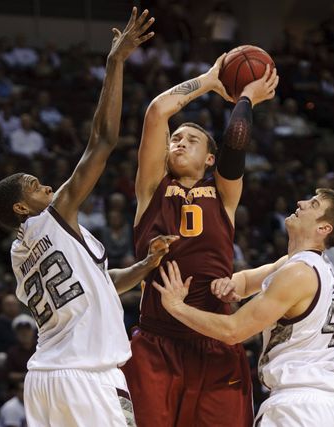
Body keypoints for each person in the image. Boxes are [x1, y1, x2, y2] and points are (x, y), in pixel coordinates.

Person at [0, 8, 160, 427]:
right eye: (33, 184)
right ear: (20, 207)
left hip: (45, 379)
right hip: (88, 377)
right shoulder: (56, 216)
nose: (46, 185)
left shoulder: (19, 252)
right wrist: (115, 62)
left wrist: (144, 266)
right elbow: (102, 141)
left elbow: (96, 284)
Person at [122, 47, 278, 425]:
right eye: (175, 138)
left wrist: (246, 99)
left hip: (213, 336)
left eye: (191, 139)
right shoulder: (152, 189)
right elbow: (158, 111)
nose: (178, 142)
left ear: (210, 158)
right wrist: (209, 81)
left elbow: (237, 140)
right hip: (157, 341)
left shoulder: (223, 194)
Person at [154, 189, 334, 427]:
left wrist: (176, 307)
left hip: (301, 409)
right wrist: (230, 284)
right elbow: (246, 282)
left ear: (323, 228)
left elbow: (233, 331)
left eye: (313, 204)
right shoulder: (310, 266)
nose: (301, 202)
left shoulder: (298, 273)